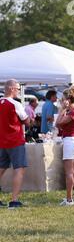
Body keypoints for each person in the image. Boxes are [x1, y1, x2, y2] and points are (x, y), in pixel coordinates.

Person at [0, 79, 30, 208]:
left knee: (1, 169)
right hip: (15, 140)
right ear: (11, 89)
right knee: (19, 169)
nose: (18, 90)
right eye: (17, 88)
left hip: (2, 141)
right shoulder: (15, 104)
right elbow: (26, 120)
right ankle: (14, 200)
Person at [56, 85, 74, 206]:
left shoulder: (72, 112)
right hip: (73, 141)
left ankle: (69, 199)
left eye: (63, 99)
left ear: (67, 99)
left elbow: (58, 123)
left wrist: (62, 109)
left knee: (69, 172)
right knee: (73, 172)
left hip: (70, 141)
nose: (62, 101)